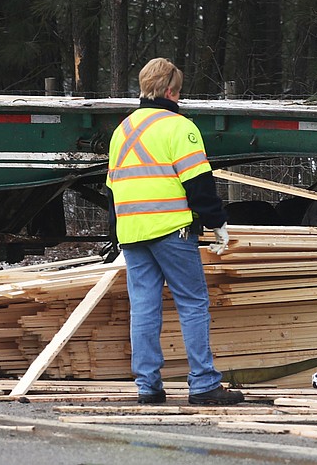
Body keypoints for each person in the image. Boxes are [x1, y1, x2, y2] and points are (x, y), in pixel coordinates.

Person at [106, 57, 243, 405]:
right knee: (192, 303)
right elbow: (199, 183)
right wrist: (217, 222)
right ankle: (203, 384)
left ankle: (148, 388)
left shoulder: (121, 131)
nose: (180, 98)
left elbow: (113, 188)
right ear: (170, 91)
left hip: (132, 232)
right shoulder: (179, 127)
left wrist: (117, 232)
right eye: (179, 92)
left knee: (144, 308)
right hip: (172, 229)